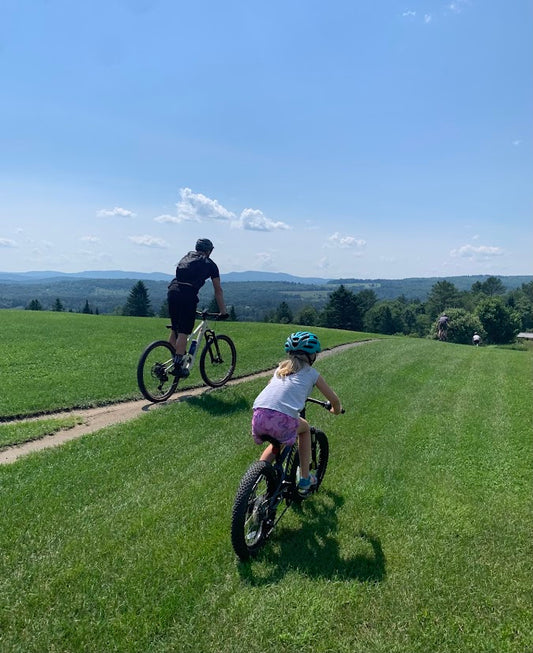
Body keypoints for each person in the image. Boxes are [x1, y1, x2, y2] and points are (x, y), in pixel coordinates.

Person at [251, 331, 343, 496]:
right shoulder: (312, 374)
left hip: (258, 416)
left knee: (276, 445)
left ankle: (254, 481)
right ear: (310, 356)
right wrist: (335, 410)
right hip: (281, 419)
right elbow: (334, 399)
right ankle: (305, 479)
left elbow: (275, 389)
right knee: (305, 428)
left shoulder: (280, 369)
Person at [167, 238, 228, 377]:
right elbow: (218, 290)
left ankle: (172, 357)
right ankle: (178, 367)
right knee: (184, 331)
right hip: (187, 295)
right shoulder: (211, 264)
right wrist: (223, 311)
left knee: (175, 327)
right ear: (209, 251)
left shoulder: (187, 257)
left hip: (172, 290)